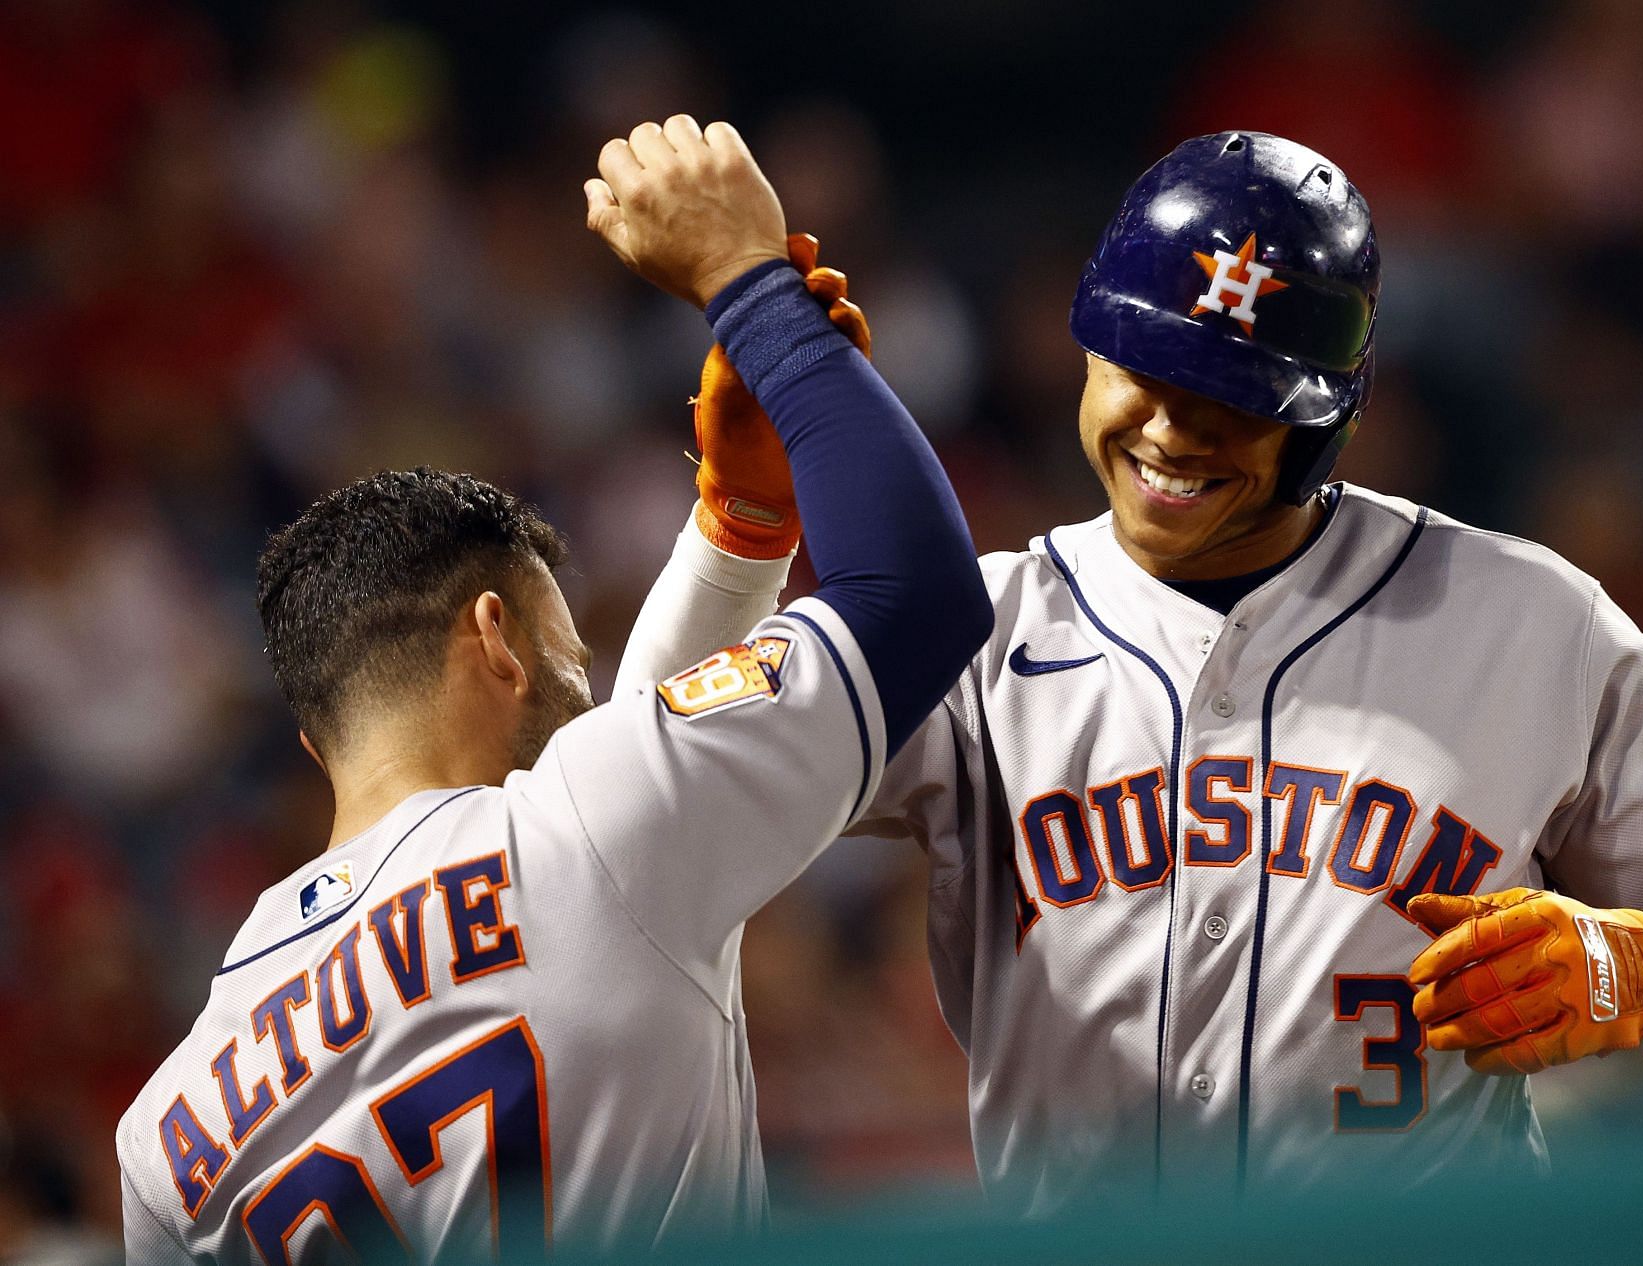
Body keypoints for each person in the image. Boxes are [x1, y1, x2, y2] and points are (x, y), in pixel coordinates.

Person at [633, 132, 1643, 1213]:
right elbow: (633, 817)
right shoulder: (977, 626)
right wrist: (744, 527)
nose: (1173, 431)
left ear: (1332, 414)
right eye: (1144, 371)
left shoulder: (1529, 622)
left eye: (1231, 399)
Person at [115, 114, 992, 1260]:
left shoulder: (161, 1135)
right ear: (496, 638)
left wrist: (739, 534)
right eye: (573, 655)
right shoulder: (585, 838)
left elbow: (621, 782)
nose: (596, 693)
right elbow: (917, 594)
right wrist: (752, 285)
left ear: (323, 745)